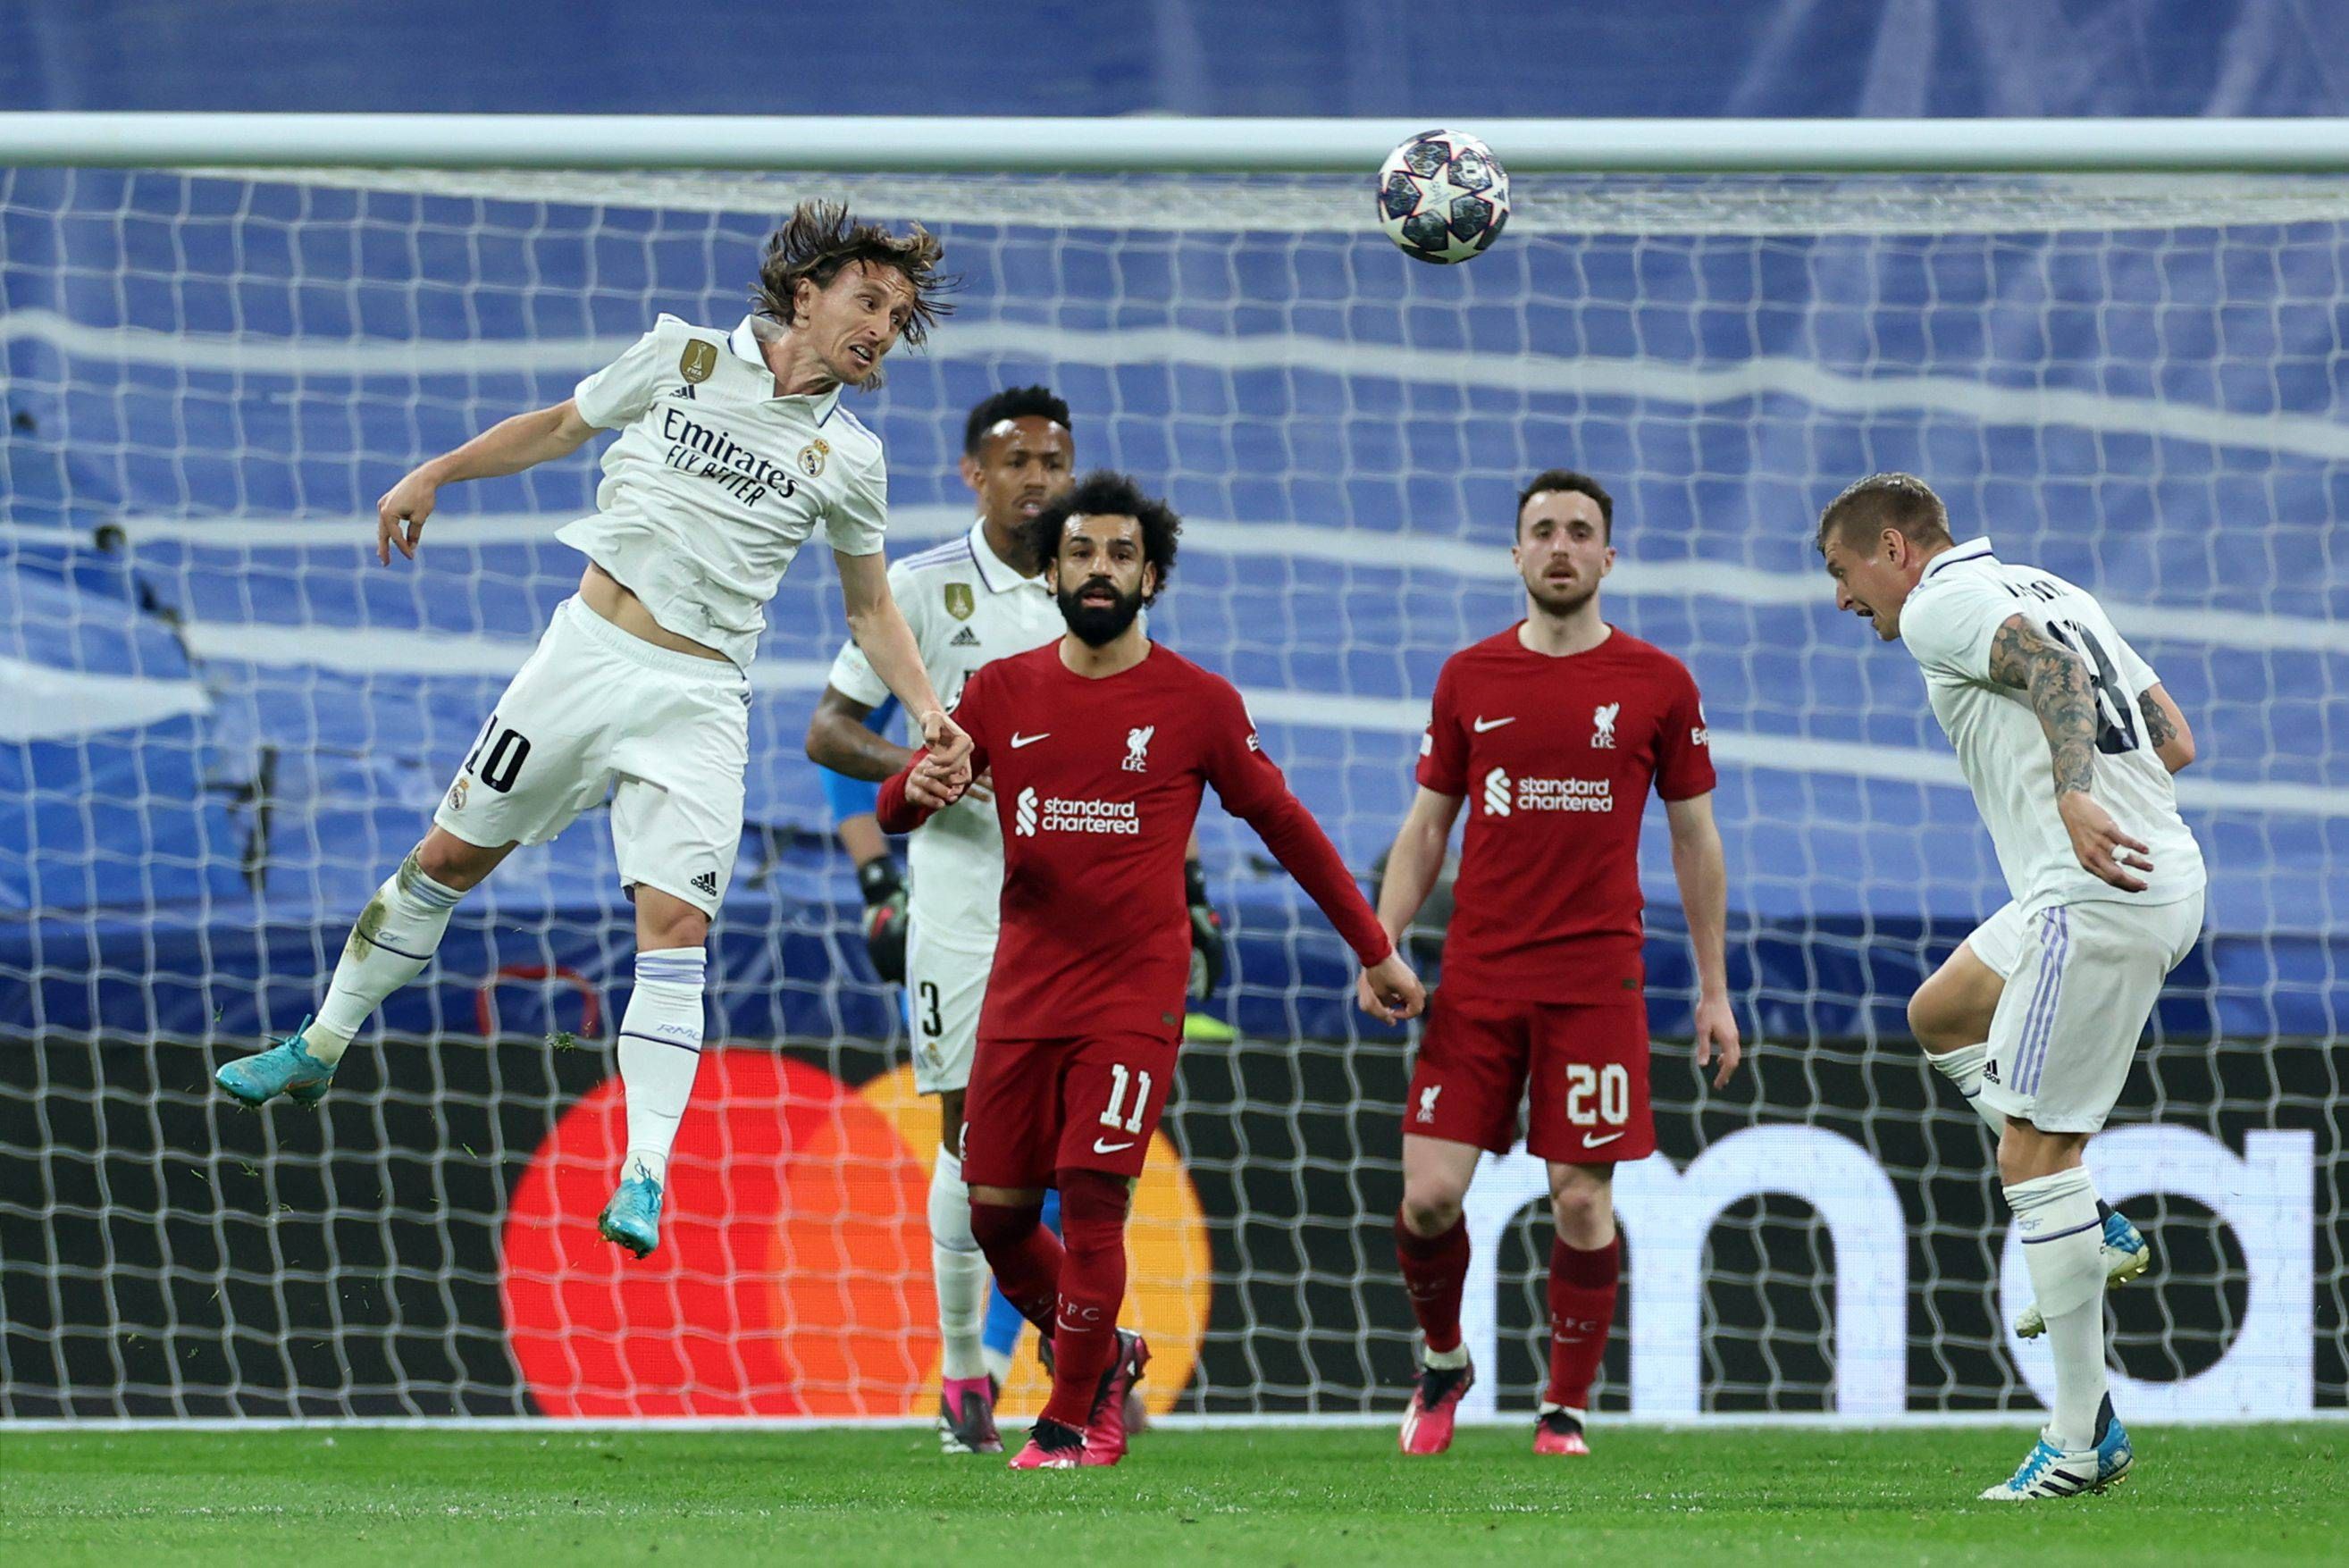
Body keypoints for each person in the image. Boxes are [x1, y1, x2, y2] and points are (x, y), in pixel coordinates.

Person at [214, 203, 972, 1265]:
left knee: (674, 932)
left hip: (697, 702)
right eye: (867, 300)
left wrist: (933, 712)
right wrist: (436, 472)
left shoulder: (849, 458)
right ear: (806, 294)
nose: (882, 327)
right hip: (580, 660)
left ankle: (646, 1172)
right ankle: (319, 1044)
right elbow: (562, 425)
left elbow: (868, 609)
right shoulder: (683, 356)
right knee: (444, 860)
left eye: (897, 314)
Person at [877, 470, 1425, 1468]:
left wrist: (1374, 948)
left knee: (1091, 1199)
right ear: (1049, 573)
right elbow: (896, 808)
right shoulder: (999, 690)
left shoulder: (1196, 703)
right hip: (1021, 989)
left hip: (1131, 996)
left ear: (1152, 579)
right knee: (995, 1216)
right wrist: (918, 784)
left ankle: (1064, 1418)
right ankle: (1109, 1352)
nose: (1099, 570)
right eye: (1080, 553)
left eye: (1121, 555)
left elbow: (1288, 827)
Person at [1817, 472, 2206, 1501]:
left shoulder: (1943, 603)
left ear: (1893, 549)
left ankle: (2082, 1441)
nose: (1841, 598)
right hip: (2126, 874)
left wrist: (2074, 799)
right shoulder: (2052, 586)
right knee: (1940, 1013)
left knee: (2032, 1155)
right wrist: (2105, 795)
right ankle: (2093, 1219)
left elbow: (2052, 681)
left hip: (2096, 891)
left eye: (1840, 571)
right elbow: (2173, 736)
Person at [1365, 468, 1741, 1458]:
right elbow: (1425, 828)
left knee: (1582, 1197)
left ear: (1608, 558)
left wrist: (1714, 991)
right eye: (1543, 531)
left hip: (1596, 982)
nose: (1561, 546)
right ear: (1517, 553)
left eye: (1580, 531)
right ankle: (1443, 1359)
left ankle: (1562, 1409)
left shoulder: (1658, 683)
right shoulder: (1469, 676)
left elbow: (1695, 842)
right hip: (1479, 978)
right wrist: (1382, 942)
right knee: (1430, 1196)